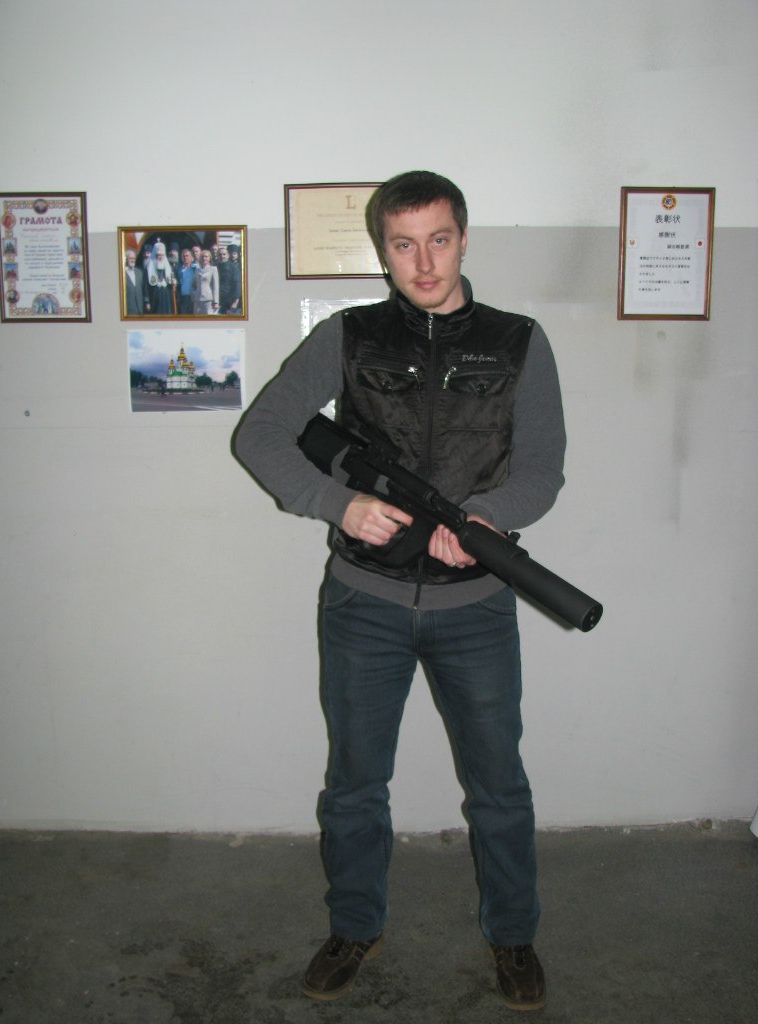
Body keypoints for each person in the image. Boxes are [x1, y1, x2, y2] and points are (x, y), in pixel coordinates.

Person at [232, 170, 566, 1011]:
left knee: (499, 787)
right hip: (363, 604)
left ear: (464, 238)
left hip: (477, 608)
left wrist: (487, 517)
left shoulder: (519, 341)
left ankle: (513, 936)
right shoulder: (348, 336)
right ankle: (355, 927)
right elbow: (261, 432)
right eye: (404, 244)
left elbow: (542, 469)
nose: (423, 263)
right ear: (383, 250)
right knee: (354, 786)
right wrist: (337, 503)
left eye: (439, 240)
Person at [144, 240, 176, 315]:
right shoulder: (149, 269)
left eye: (162, 255)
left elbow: (172, 285)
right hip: (154, 298)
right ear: (155, 256)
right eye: (158, 255)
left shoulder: (169, 268)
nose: (160, 257)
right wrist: (147, 302)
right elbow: (146, 287)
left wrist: (174, 283)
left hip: (166, 298)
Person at [192, 249, 219, 314]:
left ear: (209, 258)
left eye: (206, 256)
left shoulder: (213, 269)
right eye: (202, 257)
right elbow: (193, 284)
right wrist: (194, 294)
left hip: (208, 299)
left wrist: (216, 302)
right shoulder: (197, 270)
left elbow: (215, 286)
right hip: (197, 299)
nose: (204, 258)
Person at [123, 249, 145, 315]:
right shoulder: (122, 274)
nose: (132, 260)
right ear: (126, 259)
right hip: (128, 310)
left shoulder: (139, 272)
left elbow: (143, 289)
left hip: (140, 309)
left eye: (134, 258)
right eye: (130, 258)